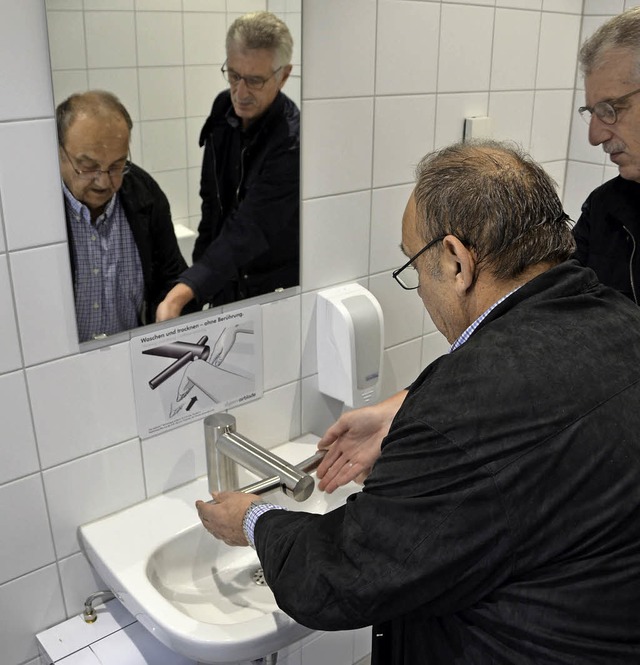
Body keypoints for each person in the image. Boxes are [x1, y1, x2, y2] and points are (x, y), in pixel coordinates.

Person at [196, 140, 640, 664]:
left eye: (414, 265)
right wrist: (404, 410)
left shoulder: (463, 413)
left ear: (456, 260)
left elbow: (343, 579)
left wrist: (254, 519)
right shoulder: (621, 320)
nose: (421, 289)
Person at [156, 11, 300, 320]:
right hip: (224, 283)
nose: (240, 92)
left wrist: (187, 288)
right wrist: (196, 286)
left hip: (272, 292)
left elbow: (251, 228)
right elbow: (212, 203)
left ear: (283, 75)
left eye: (255, 80)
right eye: (233, 75)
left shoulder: (291, 141)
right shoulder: (223, 109)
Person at [57, 90, 188, 342]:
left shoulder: (144, 194)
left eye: (117, 165)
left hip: (130, 357)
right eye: (88, 166)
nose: (103, 181)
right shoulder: (33, 207)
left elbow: (171, 277)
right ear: (59, 152)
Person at [572, 7, 640, 304]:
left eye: (610, 110)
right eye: (593, 112)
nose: (595, 136)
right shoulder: (605, 208)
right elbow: (553, 308)